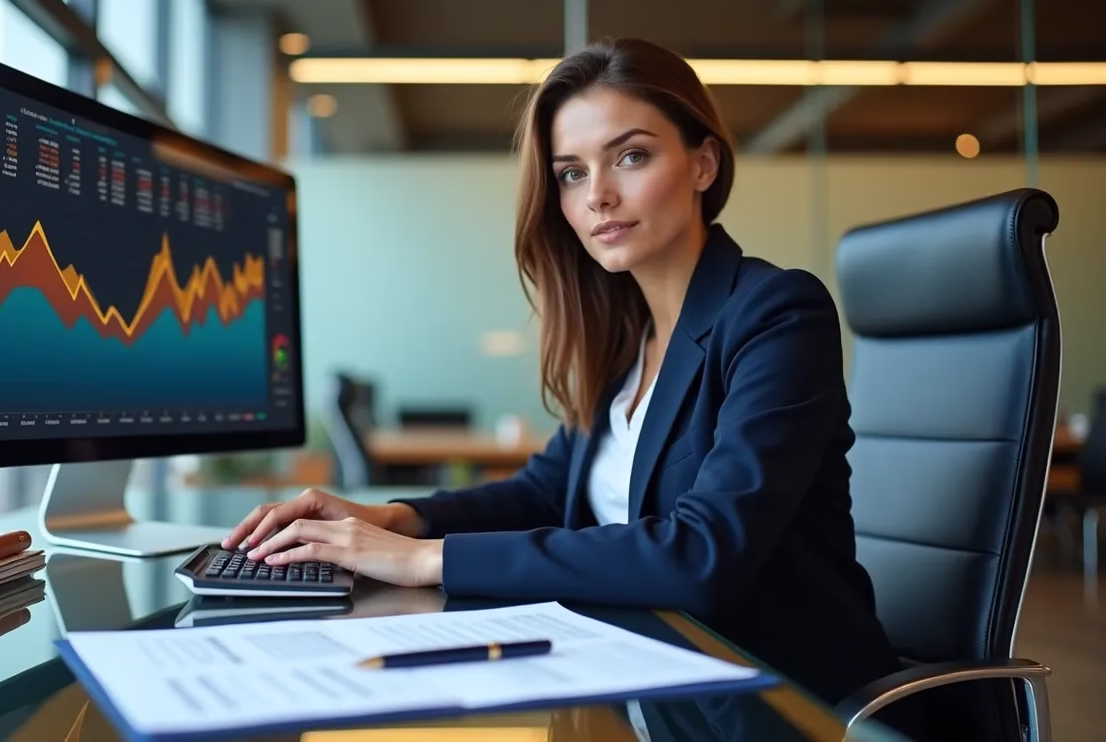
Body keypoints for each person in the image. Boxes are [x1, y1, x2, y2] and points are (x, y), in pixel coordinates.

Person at [224, 37, 917, 732]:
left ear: (703, 163)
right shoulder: (626, 337)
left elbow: (701, 553)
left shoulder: (775, 314)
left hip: (772, 706)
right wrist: (395, 520)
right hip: (643, 680)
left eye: (632, 156)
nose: (600, 196)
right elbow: (546, 493)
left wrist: (425, 559)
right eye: (571, 173)